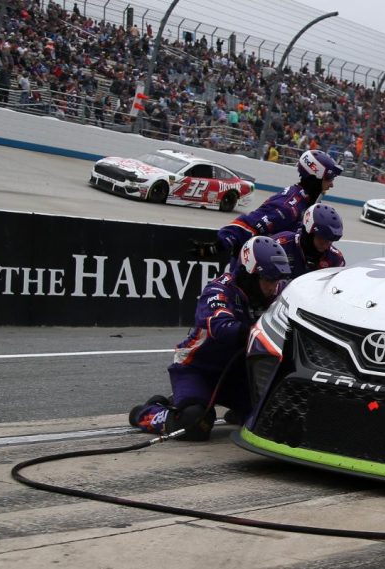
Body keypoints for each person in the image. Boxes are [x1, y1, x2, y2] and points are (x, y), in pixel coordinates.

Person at [129, 236, 291, 440]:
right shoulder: (218, 290)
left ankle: (236, 409)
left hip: (238, 374)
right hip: (198, 369)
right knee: (195, 422)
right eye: (268, 279)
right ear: (249, 274)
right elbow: (221, 327)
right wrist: (260, 331)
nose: (273, 287)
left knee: (275, 418)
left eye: (277, 280)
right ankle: (148, 412)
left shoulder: (278, 292)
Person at [191, 149, 342, 258]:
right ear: (314, 178)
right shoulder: (289, 207)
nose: (332, 185)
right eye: (329, 179)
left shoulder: (305, 201)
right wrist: (218, 246)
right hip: (256, 275)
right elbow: (249, 224)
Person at [272, 203, 346, 278]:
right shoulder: (280, 245)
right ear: (308, 233)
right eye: (322, 239)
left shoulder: (336, 260)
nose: (326, 245)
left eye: (330, 240)